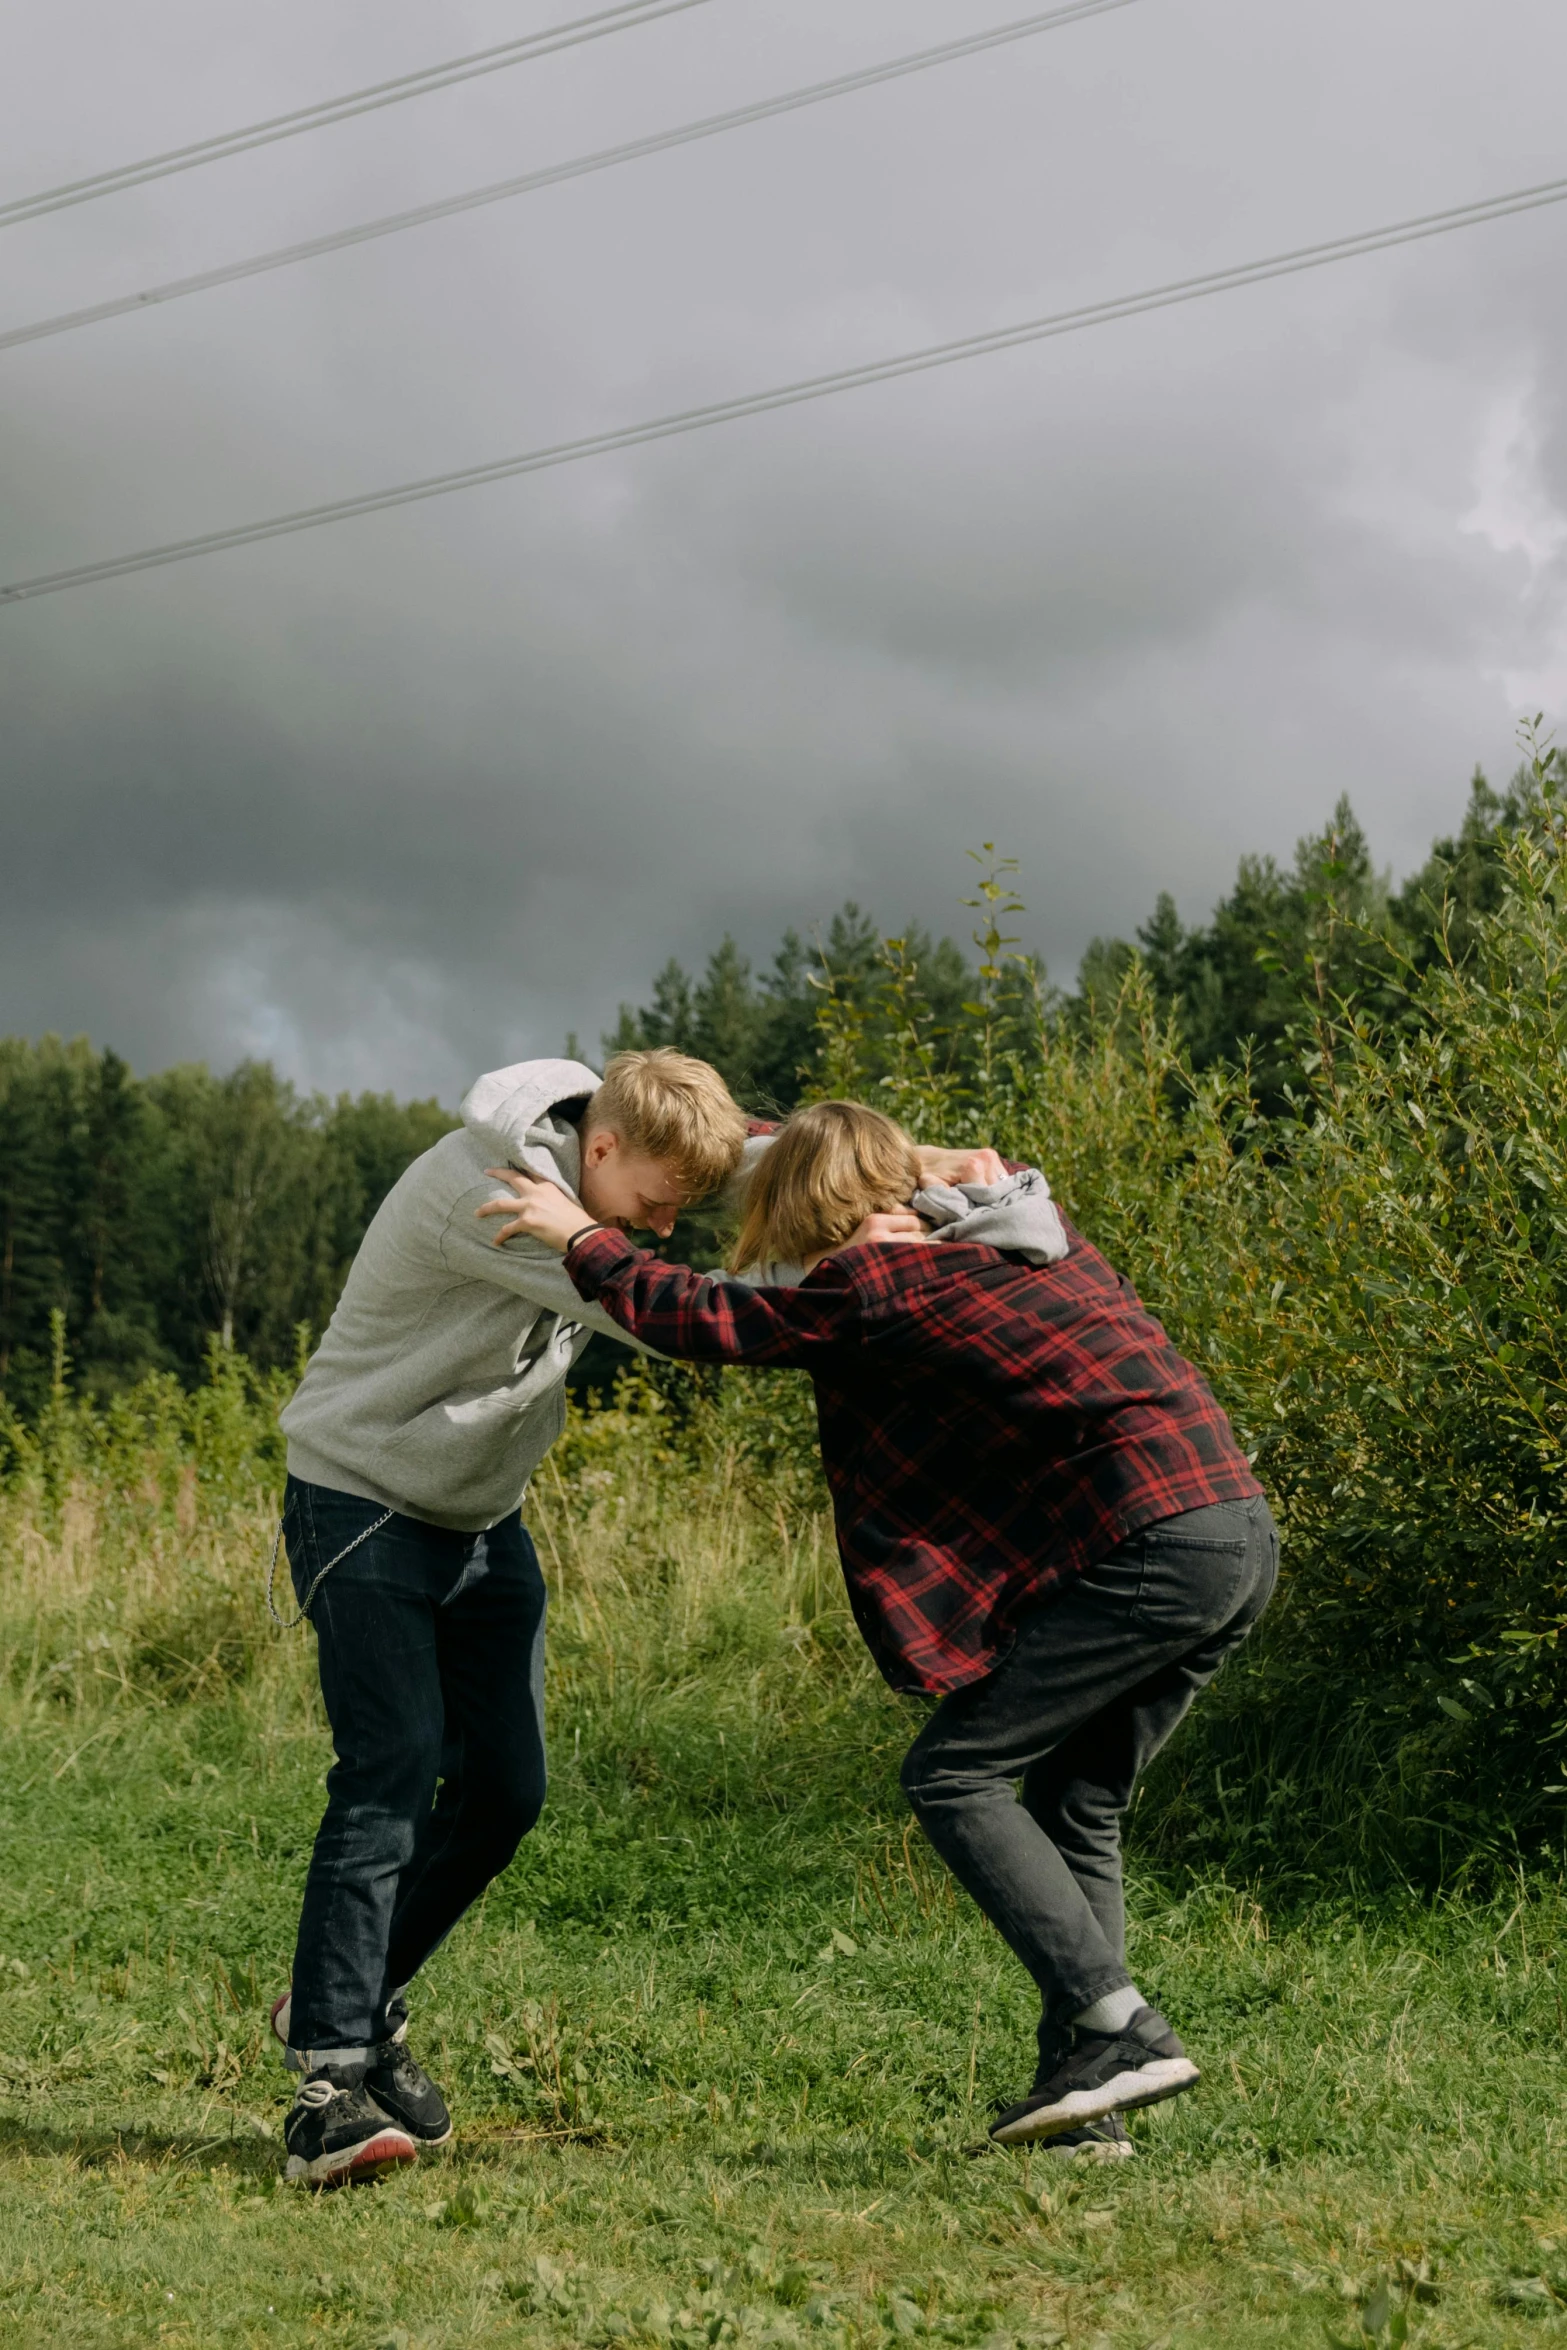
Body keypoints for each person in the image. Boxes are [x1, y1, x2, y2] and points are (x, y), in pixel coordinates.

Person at [481, 1099, 1277, 2161]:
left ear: (813, 1216)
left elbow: (707, 1320)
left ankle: (1122, 2025)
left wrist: (581, 1236)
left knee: (954, 1774)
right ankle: (1092, 2099)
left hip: (1151, 1543)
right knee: (1075, 1803)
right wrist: (885, 1155)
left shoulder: (874, 1283)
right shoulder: (1024, 1229)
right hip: (1232, 1532)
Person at [270, 1052, 999, 2187]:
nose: (664, 1227)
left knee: (508, 1789)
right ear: (597, 1152)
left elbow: (750, 1146)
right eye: (655, 1205)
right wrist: (854, 1295)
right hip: (361, 1497)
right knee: (392, 1768)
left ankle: (350, 1992)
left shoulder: (617, 1149)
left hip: (477, 1517)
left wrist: (908, 1165)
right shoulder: (500, 1196)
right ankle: (329, 2074)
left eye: (677, 1208)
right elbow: (666, 1319)